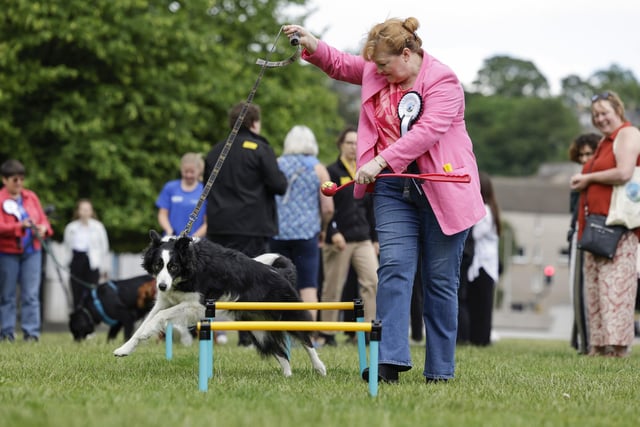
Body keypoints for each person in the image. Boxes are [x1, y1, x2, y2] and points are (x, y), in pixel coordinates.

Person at [284, 18, 485, 383]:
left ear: (407, 55)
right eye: (373, 65)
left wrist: (379, 159)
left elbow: (426, 132)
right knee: (393, 268)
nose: (376, 72)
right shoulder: (379, 72)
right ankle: (389, 360)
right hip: (394, 188)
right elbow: (344, 65)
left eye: (383, 64)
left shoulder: (443, 81)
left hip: (441, 187)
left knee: (439, 280)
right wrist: (312, 43)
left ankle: (440, 370)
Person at [205, 102, 288, 346]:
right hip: (251, 226)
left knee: (220, 279)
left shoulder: (215, 151)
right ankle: (247, 336)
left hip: (220, 225)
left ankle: (208, 333)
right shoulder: (260, 149)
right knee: (250, 280)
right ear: (254, 123)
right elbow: (279, 185)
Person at [570, 90, 640, 357]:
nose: (599, 119)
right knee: (597, 290)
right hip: (596, 225)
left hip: (618, 226)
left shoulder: (628, 134)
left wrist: (587, 179)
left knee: (616, 290)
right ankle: (598, 346)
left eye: (604, 113)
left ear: (618, 111)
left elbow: (624, 172)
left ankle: (617, 348)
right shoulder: (603, 142)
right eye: (595, 115)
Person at [319, 126, 378, 345]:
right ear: (340, 145)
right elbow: (325, 205)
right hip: (339, 238)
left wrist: (375, 238)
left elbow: (371, 208)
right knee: (333, 286)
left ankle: (367, 330)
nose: (354, 147)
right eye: (349, 143)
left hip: (362, 237)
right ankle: (327, 333)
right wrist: (332, 231)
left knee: (372, 281)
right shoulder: (331, 171)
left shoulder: (365, 171)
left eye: (357, 143)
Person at [270, 125, 334, 322]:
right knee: (308, 285)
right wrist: (323, 229)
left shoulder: (276, 164)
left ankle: (278, 331)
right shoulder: (319, 169)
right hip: (307, 234)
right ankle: (309, 334)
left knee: (277, 283)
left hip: (278, 233)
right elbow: (328, 208)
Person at [0, 160, 53, 342]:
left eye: (22, 179)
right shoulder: (0, 199)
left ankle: (31, 334)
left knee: (31, 294)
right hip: (7, 252)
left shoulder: (31, 197)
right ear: (4, 180)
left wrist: (44, 229)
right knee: (7, 295)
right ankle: (6, 332)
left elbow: (43, 220)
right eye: (15, 179)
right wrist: (18, 226)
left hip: (32, 251)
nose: (19, 183)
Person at [566, 133, 600, 354]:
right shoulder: (577, 180)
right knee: (576, 289)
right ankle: (581, 340)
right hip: (577, 235)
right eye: (582, 155)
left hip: (597, 236)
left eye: (590, 153)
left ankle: (589, 342)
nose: (585, 158)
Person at [462, 171, 501, 346]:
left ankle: (481, 338)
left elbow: (475, 234)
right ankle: (477, 337)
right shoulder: (490, 210)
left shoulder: (484, 212)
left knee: (481, 304)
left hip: (483, 264)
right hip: (481, 263)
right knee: (478, 303)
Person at [63, 199, 110, 309]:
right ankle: (77, 317)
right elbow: (67, 247)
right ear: (78, 211)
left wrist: (103, 266)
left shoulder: (98, 227)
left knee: (91, 292)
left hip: (91, 262)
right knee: (76, 291)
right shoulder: (71, 227)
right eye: (82, 209)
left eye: (87, 209)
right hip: (76, 260)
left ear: (91, 211)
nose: (85, 212)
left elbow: (104, 248)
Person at [156, 152, 207, 238]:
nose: (188, 175)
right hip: (172, 239)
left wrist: (193, 238)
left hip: (196, 241)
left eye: (192, 172)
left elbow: (207, 223)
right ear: (181, 169)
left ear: (199, 171)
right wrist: (169, 231)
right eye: (186, 171)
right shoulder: (170, 187)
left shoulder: (205, 190)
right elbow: (162, 214)